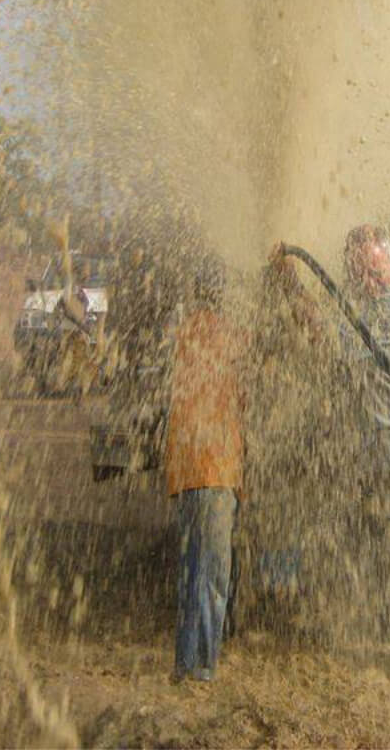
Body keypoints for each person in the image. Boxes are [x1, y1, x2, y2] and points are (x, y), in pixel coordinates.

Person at [271, 225, 390, 680]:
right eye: (358, 271)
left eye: (373, 269)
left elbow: (326, 341)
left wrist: (291, 285)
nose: (365, 280)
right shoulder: (385, 303)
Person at [164, 258, 248, 683]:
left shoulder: (184, 332)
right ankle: (200, 669)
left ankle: (185, 661)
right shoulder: (230, 334)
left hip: (184, 467)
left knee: (192, 568)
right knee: (213, 574)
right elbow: (248, 387)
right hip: (216, 466)